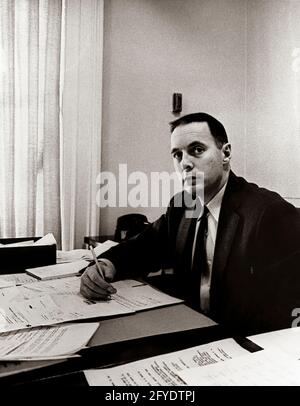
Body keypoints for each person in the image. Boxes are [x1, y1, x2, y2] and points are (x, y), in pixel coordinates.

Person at [80, 112, 300, 335]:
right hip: (189, 332)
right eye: (177, 155)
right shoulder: (181, 205)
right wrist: (109, 263)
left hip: (242, 347)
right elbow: (144, 247)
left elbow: (286, 312)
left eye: (197, 150)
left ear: (226, 153)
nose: (184, 163)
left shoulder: (268, 213)